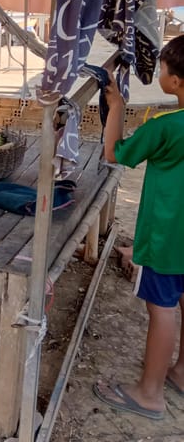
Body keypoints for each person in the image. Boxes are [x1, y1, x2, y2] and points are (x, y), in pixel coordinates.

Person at [93, 34, 184, 421]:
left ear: (176, 81)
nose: (160, 75)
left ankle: (149, 394)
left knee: (162, 308)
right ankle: (180, 373)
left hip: (166, 236)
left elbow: (115, 153)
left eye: (163, 69)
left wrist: (116, 107)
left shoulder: (166, 126)